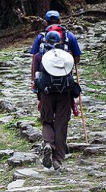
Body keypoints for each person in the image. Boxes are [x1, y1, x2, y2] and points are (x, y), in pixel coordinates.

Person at [30, 10, 82, 171]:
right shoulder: (69, 37)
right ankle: (58, 160)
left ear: (46, 22)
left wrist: (34, 85)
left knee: (47, 120)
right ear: (60, 20)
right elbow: (77, 59)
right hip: (65, 90)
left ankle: (48, 144)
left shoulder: (40, 39)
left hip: (45, 90)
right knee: (61, 123)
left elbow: (35, 61)